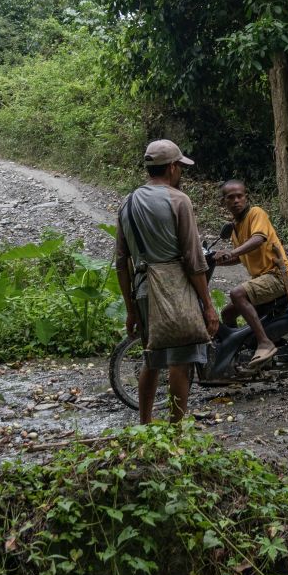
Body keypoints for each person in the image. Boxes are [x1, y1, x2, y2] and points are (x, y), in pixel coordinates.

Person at [116, 139, 219, 424]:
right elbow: (193, 258)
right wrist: (208, 305)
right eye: (180, 168)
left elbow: (121, 263)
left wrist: (130, 308)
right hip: (175, 288)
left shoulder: (128, 202)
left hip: (143, 289)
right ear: (173, 167)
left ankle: (145, 425)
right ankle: (176, 432)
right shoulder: (178, 200)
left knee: (152, 359)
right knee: (181, 360)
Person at [214, 179, 288, 367]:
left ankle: (265, 343)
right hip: (263, 279)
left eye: (239, 196)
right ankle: (237, 352)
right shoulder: (235, 228)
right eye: (230, 198)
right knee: (227, 314)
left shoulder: (256, 213)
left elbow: (258, 239)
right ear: (224, 202)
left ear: (246, 197)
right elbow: (241, 256)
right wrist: (213, 262)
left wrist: (231, 252)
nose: (236, 201)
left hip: (278, 275)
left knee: (237, 293)